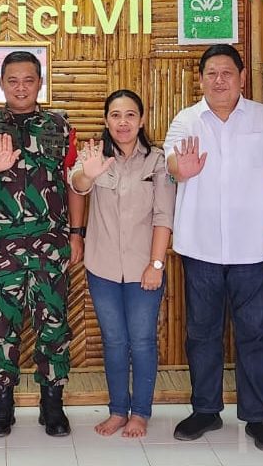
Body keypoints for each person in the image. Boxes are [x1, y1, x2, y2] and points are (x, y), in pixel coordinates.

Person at [163, 44, 263, 452]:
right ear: (201, 78)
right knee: (202, 334)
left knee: (256, 336)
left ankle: (258, 417)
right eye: (211, 72)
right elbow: (172, 164)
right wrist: (178, 170)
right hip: (201, 248)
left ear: (242, 77)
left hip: (254, 250)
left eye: (227, 72)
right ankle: (205, 410)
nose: (219, 79)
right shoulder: (186, 119)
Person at [0, 50, 82, 438]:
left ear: (39, 83)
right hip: (2, 252)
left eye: (28, 80)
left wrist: (77, 233)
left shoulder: (59, 125)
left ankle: (53, 405)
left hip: (51, 248)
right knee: (2, 329)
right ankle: (3, 405)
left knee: (54, 327)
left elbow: (74, 181)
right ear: (1, 84)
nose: (20, 87)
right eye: (12, 80)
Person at [69, 89, 175, 439]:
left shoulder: (157, 160)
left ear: (141, 120)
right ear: (106, 120)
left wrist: (156, 264)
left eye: (130, 115)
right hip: (102, 268)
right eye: (115, 115)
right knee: (114, 341)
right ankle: (118, 410)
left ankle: (140, 413)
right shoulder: (96, 156)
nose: (123, 122)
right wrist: (88, 172)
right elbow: (78, 186)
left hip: (145, 266)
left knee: (143, 340)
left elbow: (164, 215)